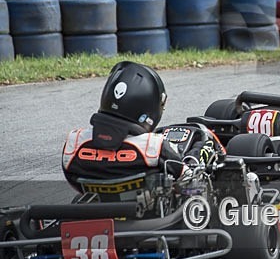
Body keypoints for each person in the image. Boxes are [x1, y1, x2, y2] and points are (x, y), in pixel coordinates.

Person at [62, 61, 217, 192]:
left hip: (98, 210)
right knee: (204, 142)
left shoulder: (74, 143)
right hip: (149, 213)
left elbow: (75, 183)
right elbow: (188, 180)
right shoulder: (153, 147)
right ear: (148, 105)